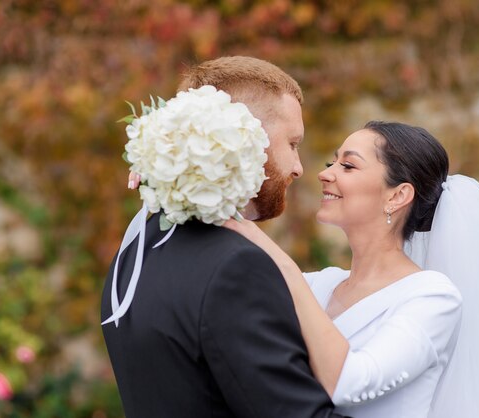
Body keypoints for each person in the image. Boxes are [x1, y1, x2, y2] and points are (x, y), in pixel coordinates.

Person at [101, 56, 349, 418]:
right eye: (292, 143)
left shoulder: (136, 249)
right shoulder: (237, 268)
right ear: (246, 138)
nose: (298, 168)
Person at [224, 121, 479, 418]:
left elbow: (350, 383)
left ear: (396, 196)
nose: (325, 173)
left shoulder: (432, 297)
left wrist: (284, 266)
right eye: (332, 162)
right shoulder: (320, 285)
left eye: (348, 166)